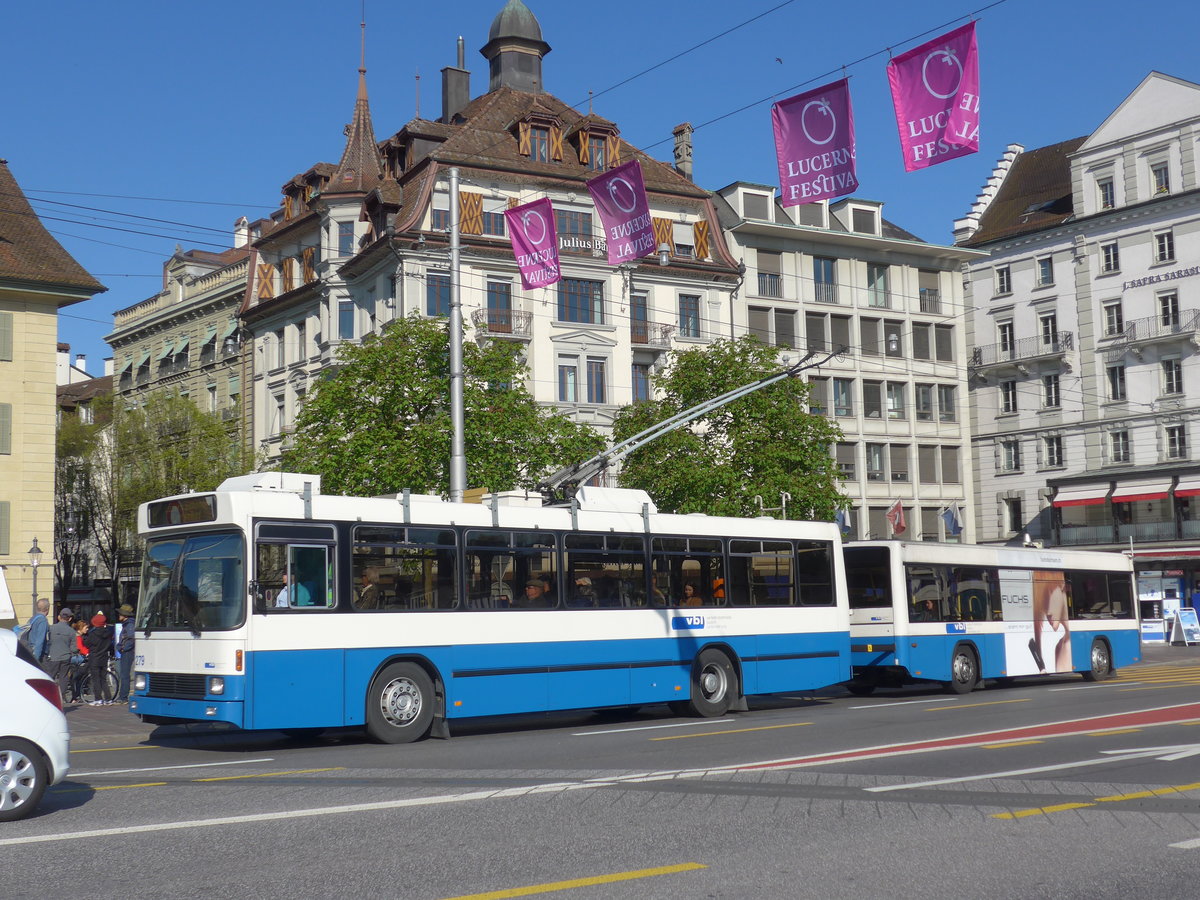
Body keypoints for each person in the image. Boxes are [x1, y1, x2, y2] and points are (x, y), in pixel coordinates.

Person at [44, 607, 77, 703]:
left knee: (50, 676)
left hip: (53, 656)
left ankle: (48, 695)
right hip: (66, 657)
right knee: (64, 677)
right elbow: (74, 648)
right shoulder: (71, 631)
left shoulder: (51, 628)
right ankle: (61, 696)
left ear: (59, 617)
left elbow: (47, 642)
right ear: (70, 619)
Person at [82, 612, 115, 705]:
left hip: (94, 658)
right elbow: (110, 646)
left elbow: (87, 644)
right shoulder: (108, 633)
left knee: (96, 679)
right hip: (104, 657)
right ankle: (108, 698)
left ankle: (98, 698)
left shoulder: (93, 634)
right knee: (103, 679)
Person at [114, 604, 136, 703]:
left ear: (125, 615)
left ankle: (123, 697)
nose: (119, 615)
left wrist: (123, 648)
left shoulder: (129, 625)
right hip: (127, 651)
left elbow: (131, 639)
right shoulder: (128, 624)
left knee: (124, 675)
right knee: (124, 674)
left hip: (127, 652)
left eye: (120, 614)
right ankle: (123, 696)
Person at [22, 598, 51, 663]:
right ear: (47, 609)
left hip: (29, 651)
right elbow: (40, 641)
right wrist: (35, 660)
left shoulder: (32, 619)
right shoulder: (42, 621)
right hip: (38, 655)